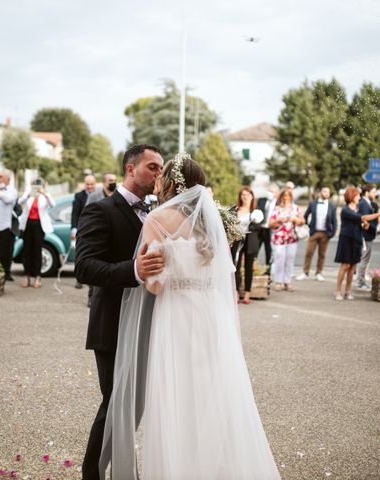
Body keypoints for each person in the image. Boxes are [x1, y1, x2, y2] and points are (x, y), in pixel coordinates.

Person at [100, 153, 281, 479]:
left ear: (170, 183)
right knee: (214, 396)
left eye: (161, 175)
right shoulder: (211, 223)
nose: (156, 181)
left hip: (176, 319)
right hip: (212, 319)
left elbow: (154, 285)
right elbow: (222, 276)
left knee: (178, 399)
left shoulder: (157, 219)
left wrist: (143, 268)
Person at [75, 144, 165, 480]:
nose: (158, 174)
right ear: (131, 168)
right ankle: (92, 475)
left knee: (134, 406)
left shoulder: (156, 213)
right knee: (115, 404)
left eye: (160, 168)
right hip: (112, 326)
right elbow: (85, 267)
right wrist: (134, 269)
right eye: (152, 167)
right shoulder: (101, 210)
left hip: (147, 325)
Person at [334, 187, 380, 301]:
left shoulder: (357, 209)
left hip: (357, 239)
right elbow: (363, 218)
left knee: (353, 266)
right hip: (346, 240)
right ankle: (338, 290)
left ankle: (348, 291)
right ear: (351, 197)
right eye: (357, 195)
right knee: (345, 266)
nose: (359, 197)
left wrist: (364, 226)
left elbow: (361, 223)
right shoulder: (345, 210)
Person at [17, 179, 55, 288]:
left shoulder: (44, 196)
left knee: (37, 251)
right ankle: (27, 275)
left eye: (38, 185)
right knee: (27, 251)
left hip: (39, 225)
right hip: (28, 224)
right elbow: (20, 202)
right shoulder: (29, 194)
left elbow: (53, 204)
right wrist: (28, 194)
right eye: (34, 185)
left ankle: (37, 276)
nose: (36, 187)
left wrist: (44, 193)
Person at [231, 186, 264, 305]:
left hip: (250, 241)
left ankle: (247, 293)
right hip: (237, 240)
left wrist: (254, 225)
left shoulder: (256, 211)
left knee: (249, 267)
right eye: (243, 195)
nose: (245, 197)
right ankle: (235, 292)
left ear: (252, 197)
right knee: (236, 266)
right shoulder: (235, 210)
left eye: (247, 195)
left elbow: (260, 228)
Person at [298, 185, 337, 282]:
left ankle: (319, 273)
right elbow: (306, 215)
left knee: (322, 254)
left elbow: (334, 221)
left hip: (325, 233)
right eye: (324, 191)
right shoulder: (313, 204)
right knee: (309, 253)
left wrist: (332, 233)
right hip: (314, 232)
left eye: (328, 192)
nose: (326, 193)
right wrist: (308, 226)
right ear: (320, 192)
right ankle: (305, 272)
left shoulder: (332, 206)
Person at [268, 187, 304, 291]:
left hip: (292, 238)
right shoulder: (277, 209)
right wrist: (279, 220)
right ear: (281, 198)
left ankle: (287, 282)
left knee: (290, 259)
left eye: (288, 197)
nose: (286, 199)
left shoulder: (296, 208)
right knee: (279, 259)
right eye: (284, 197)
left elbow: (302, 221)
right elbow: (270, 223)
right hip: (279, 238)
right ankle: (278, 281)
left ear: (291, 198)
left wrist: (295, 219)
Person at [70, 174, 97, 289]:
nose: (90, 186)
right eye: (87, 184)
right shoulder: (78, 196)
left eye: (92, 184)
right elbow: (75, 213)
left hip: (96, 229)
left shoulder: (99, 195)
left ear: (95, 184)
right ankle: (79, 278)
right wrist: (74, 228)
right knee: (80, 254)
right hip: (82, 229)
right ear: (84, 184)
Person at [355, 184, 379, 291]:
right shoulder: (364, 204)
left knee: (365, 259)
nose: (375, 194)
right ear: (367, 193)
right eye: (373, 192)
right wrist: (371, 228)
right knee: (364, 260)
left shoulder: (366, 203)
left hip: (367, 235)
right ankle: (361, 282)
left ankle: (361, 280)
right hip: (365, 236)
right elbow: (363, 220)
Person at [256, 184, 279, 271]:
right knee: (255, 249)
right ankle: (254, 268)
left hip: (270, 230)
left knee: (269, 251)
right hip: (260, 229)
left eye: (272, 191)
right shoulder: (261, 201)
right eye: (269, 191)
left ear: (276, 193)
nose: (270, 193)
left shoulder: (278, 204)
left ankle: (268, 271)